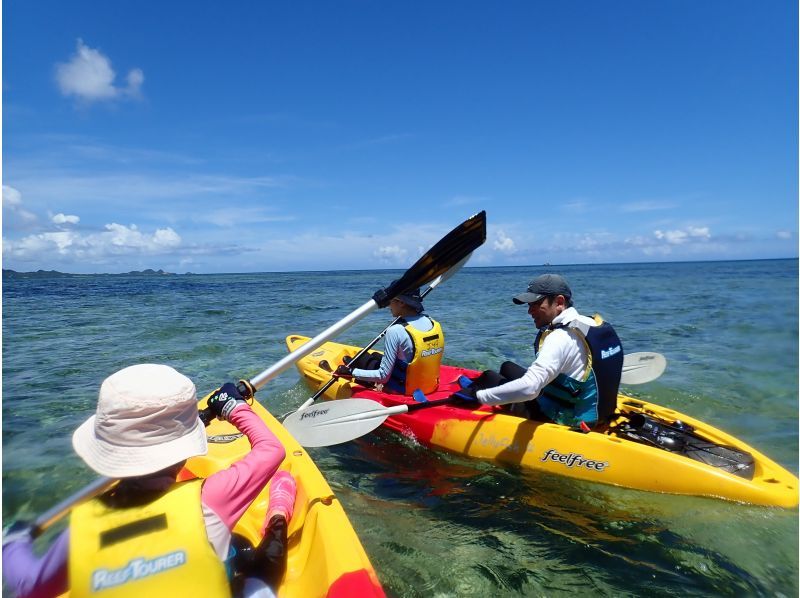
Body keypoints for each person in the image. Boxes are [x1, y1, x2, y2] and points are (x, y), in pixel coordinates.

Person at [1, 363, 296, 598]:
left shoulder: (80, 530)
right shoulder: (211, 498)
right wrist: (232, 406)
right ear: (184, 452)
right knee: (259, 575)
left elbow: (31, 587)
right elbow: (271, 450)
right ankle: (279, 515)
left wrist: (13, 542)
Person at [456, 274, 623, 428]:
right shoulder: (591, 324)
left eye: (536, 304)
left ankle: (470, 393)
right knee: (507, 367)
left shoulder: (560, 337)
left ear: (559, 302)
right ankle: (476, 387)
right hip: (596, 410)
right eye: (529, 305)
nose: (529, 311)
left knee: (490, 378)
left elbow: (530, 389)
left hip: (567, 420)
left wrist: (480, 397)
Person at [334, 286, 444, 395]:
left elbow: (383, 376)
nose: (388, 305)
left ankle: (352, 369)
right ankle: (354, 363)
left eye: (391, 300)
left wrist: (351, 372)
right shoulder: (434, 323)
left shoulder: (396, 330)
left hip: (404, 390)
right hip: (429, 386)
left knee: (361, 357)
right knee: (376, 355)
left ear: (401, 303)